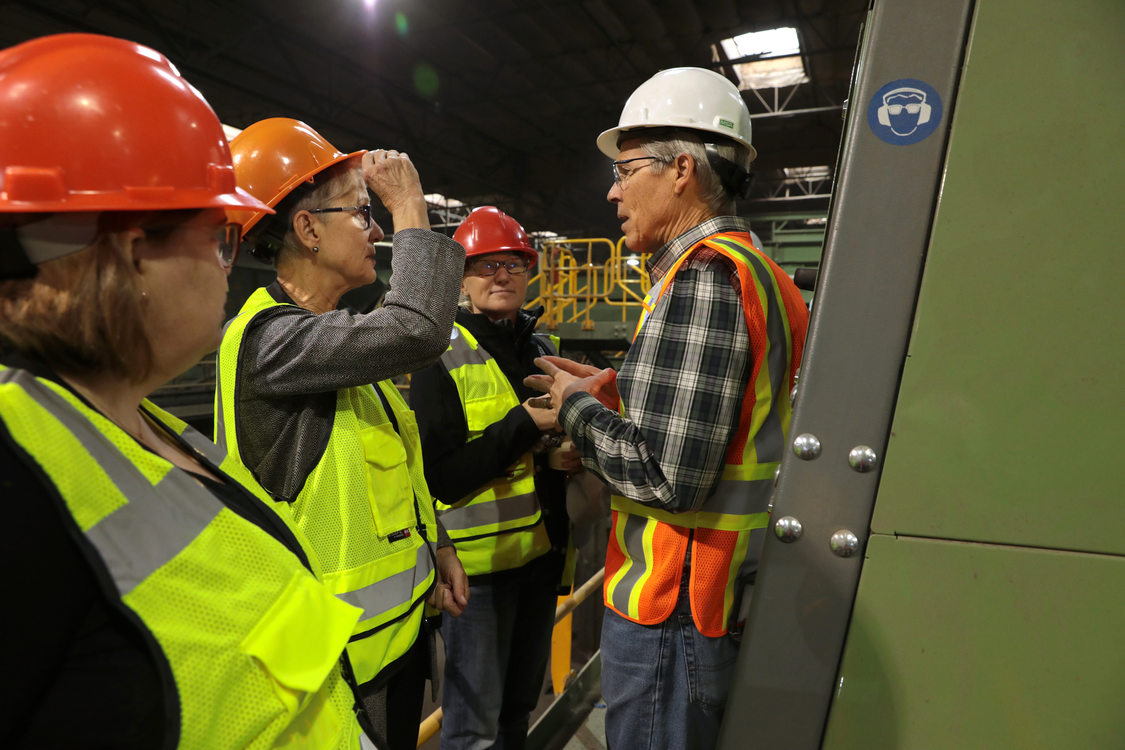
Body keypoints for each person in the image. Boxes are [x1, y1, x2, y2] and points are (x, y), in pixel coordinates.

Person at [0, 33, 375, 749]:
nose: (227, 265)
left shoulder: (121, 422)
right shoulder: (16, 493)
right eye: (220, 236)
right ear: (134, 251)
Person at [527, 67, 809, 750]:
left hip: (674, 604)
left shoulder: (704, 281)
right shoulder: (753, 271)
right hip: (705, 599)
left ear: (680, 170)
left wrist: (572, 409)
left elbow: (666, 477)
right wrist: (613, 391)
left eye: (626, 171)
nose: (612, 190)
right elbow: (720, 417)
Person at [216, 117, 469, 750]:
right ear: (306, 229)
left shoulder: (337, 343)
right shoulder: (270, 342)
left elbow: (390, 467)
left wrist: (436, 544)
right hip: (335, 665)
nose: (377, 229)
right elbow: (416, 328)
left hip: (393, 642)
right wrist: (411, 204)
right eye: (362, 214)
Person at [409, 206, 578, 749]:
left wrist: (557, 457)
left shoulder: (542, 348)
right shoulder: (439, 352)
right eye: (485, 265)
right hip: (476, 576)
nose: (501, 275)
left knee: (515, 715)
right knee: (473, 729)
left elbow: (534, 452)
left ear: (528, 274)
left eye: (513, 264)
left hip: (540, 559)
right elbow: (442, 478)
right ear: (461, 278)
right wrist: (524, 426)